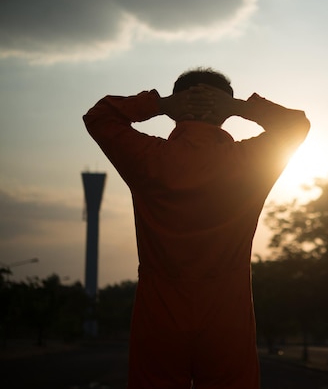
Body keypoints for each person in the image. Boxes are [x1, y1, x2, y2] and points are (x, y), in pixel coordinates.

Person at [83, 68, 310, 389]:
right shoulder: (250, 161)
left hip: (158, 311)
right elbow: (297, 125)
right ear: (223, 113)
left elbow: (100, 117)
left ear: (178, 106)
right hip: (227, 314)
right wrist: (241, 108)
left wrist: (159, 104)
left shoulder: (149, 158)